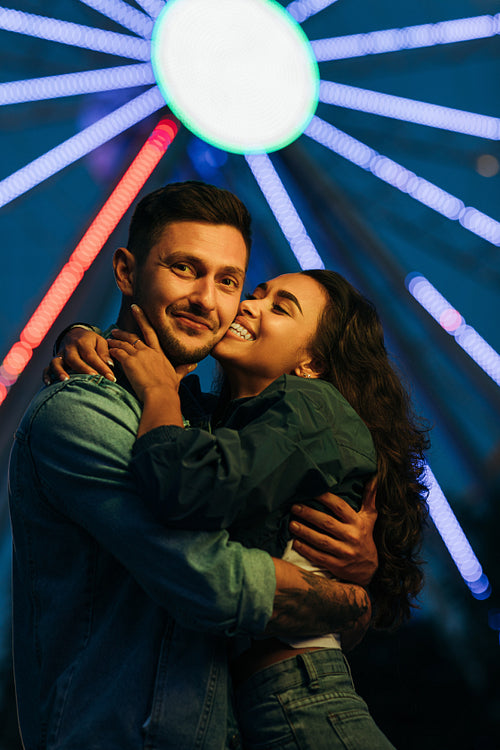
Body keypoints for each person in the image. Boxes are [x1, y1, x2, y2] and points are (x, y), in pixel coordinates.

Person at [9, 181, 378, 750]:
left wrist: (357, 563)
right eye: (185, 268)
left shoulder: (206, 426)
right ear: (127, 272)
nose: (210, 300)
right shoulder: (79, 410)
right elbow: (213, 581)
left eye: (228, 281)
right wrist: (350, 602)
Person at [52, 269, 429, 749]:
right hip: (251, 708)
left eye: (280, 307)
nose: (250, 305)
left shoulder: (312, 407)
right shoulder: (228, 424)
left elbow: (185, 488)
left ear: (310, 361)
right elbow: (146, 365)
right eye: (255, 294)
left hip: (302, 700)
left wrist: (160, 393)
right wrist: (80, 336)